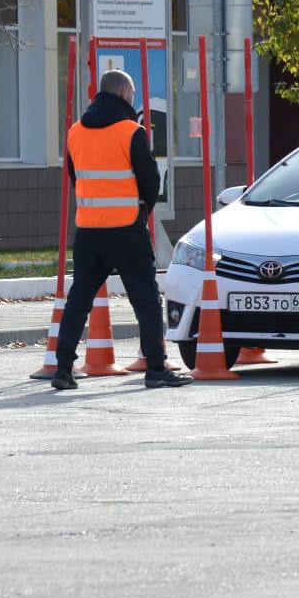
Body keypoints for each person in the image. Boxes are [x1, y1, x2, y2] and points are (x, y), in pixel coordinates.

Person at [52, 69, 191, 390]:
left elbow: (75, 177)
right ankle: (156, 369)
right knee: (145, 301)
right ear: (124, 95)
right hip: (127, 229)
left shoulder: (75, 132)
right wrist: (141, 211)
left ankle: (63, 369)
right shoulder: (131, 132)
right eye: (133, 95)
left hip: (88, 230)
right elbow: (151, 181)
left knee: (78, 301)